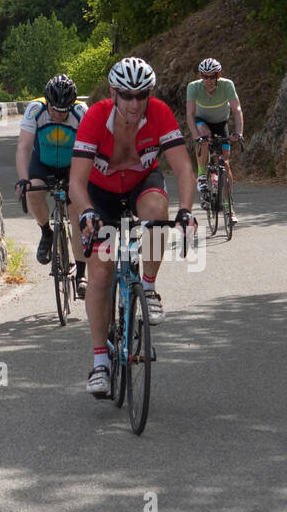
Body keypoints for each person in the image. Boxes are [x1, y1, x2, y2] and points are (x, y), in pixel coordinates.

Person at [70, 57, 197, 396]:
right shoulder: (96, 118)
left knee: (158, 210)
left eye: (142, 95)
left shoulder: (159, 113)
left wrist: (185, 210)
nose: (135, 103)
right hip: (102, 193)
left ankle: (149, 287)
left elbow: (184, 168)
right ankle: (100, 362)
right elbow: (77, 183)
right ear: (113, 93)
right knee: (99, 272)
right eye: (127, 95)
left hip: (141, 183)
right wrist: (85, 212)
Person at [14, 74, 89, 295]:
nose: (58, 114)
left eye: (63, 111)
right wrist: (23, 179)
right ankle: (46, 232)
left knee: (76, 215)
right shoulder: (35, 109)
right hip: (43, 163)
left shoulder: (81, 112)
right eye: (54, 110)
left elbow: (93, 147)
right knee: (33, 193)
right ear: (47, 102)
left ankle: (81, 273)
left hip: (72, 166)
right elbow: (23, 146)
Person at [185, 57, 242, 224]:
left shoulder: (227, 85)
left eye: (212, 76)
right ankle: (202, 175)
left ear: (219, 75)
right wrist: (196, 136)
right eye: (205, 76)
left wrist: (239, 133)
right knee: (204, 136)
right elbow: (189, 114)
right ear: (200, 75)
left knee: (225, 161)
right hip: (202, 121)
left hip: (221, 123)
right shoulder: (193, 87)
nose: (209, 80)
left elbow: (237, 110)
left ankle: (229, 207)